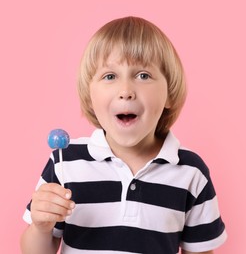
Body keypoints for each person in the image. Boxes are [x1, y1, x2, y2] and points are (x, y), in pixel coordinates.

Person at [20, 16, 227, 254]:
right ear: (90, 96)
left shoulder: (191, 172)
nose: (126, 91)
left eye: (143, 75)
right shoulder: (65, 162)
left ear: (169, 93)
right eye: (110, 76)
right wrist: (40, 227)